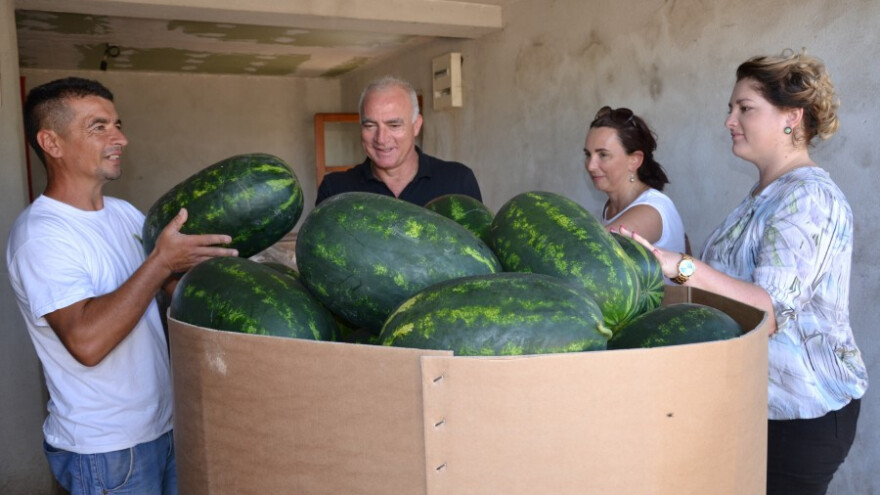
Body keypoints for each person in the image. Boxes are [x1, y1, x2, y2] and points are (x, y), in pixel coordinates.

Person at [625, 50, 867, 495]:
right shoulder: (765, 192)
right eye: (730, 108)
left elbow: (768, 311)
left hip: (802, 415)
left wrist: (677, 266)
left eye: (745, 108)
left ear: (790, 118)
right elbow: (725, 288)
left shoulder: (807, 198)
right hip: (759, 405)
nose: (729, 120)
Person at [6, 77, 238, 494]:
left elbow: (166, 294)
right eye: (99, 127)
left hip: (162, 428)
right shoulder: (40, 236)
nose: (121, 139)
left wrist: (205, 273)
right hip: (108, 452)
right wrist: (161, 261)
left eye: (117, 125)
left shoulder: (126, 214)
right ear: (51, 142)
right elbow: (86, 341)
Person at [316, 76, 481, 206]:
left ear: (416, 126)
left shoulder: (458, 182)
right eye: (370, 125)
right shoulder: (336, 190)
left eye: (394, 125)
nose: (381, 139)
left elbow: (476, 247)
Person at [584, 106, 687, 255]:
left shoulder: (649, 211)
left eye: (603, 155)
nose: (590, 166)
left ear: (634, 160)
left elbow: (589, 253)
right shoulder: (611, 207)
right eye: (588, 154)